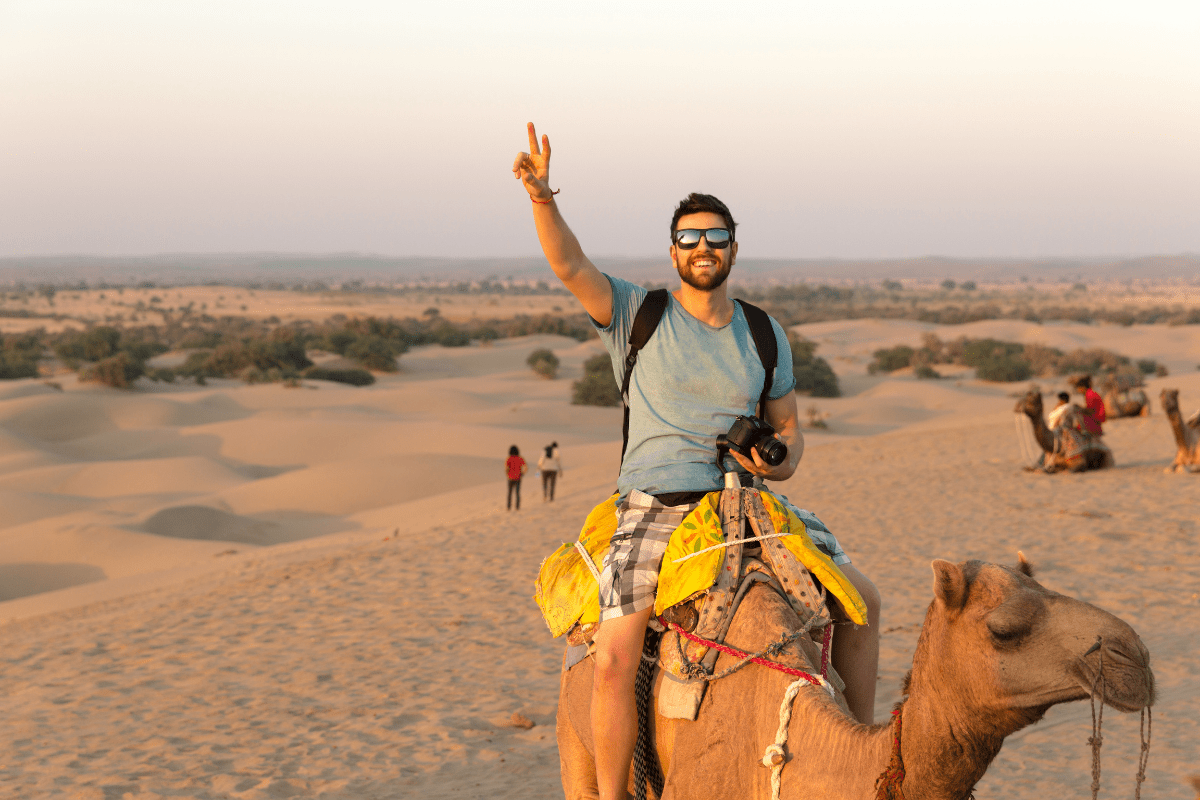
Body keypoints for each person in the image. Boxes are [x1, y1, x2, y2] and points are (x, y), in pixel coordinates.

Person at [513, 122, 881, 800]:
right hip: (655, 506)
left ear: (734, 247)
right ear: (673, 250)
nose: (703, 247)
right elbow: (570, 266)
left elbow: (790, 429)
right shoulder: (637, 313)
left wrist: (776, 461)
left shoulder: (763, 332)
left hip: (747, 504)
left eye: (716, 236)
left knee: (863, 604)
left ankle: (856, 764)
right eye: (689, 238)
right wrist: (541, 196)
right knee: (614, 658)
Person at [505, 445, 526, 510]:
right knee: (517, 493)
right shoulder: (520, 458)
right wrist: (522, 473)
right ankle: (517, 507)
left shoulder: (508, 458)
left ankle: (508, 507)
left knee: (509, 493)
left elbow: (506, 468)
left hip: (510, 478)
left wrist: (508, 474)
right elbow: (525, 467)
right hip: (518, 478)